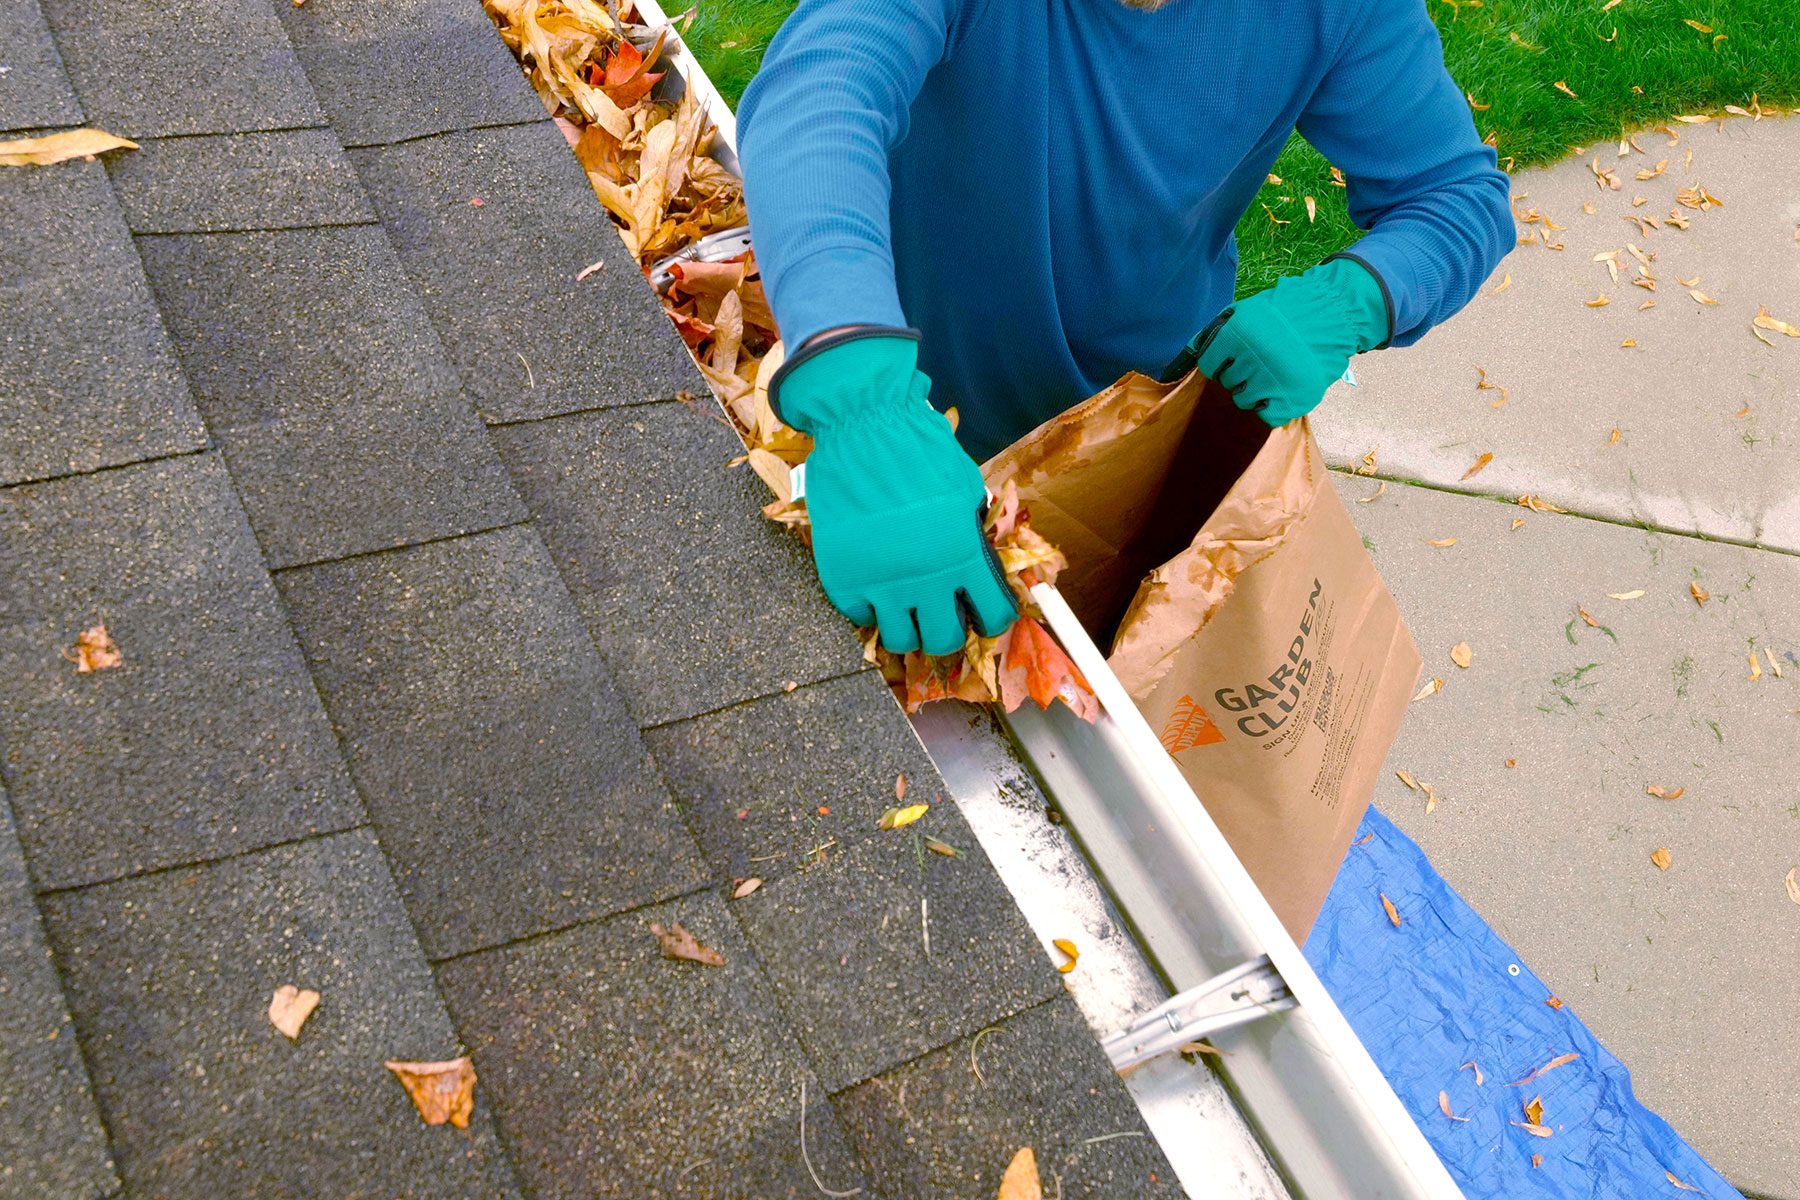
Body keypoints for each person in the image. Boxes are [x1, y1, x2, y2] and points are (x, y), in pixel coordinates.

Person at [739, 0, 1513, 656]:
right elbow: (821, 95)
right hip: (895, 432)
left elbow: (1454, 196)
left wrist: (1355, 299)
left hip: (1140, 448)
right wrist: (858, 395)